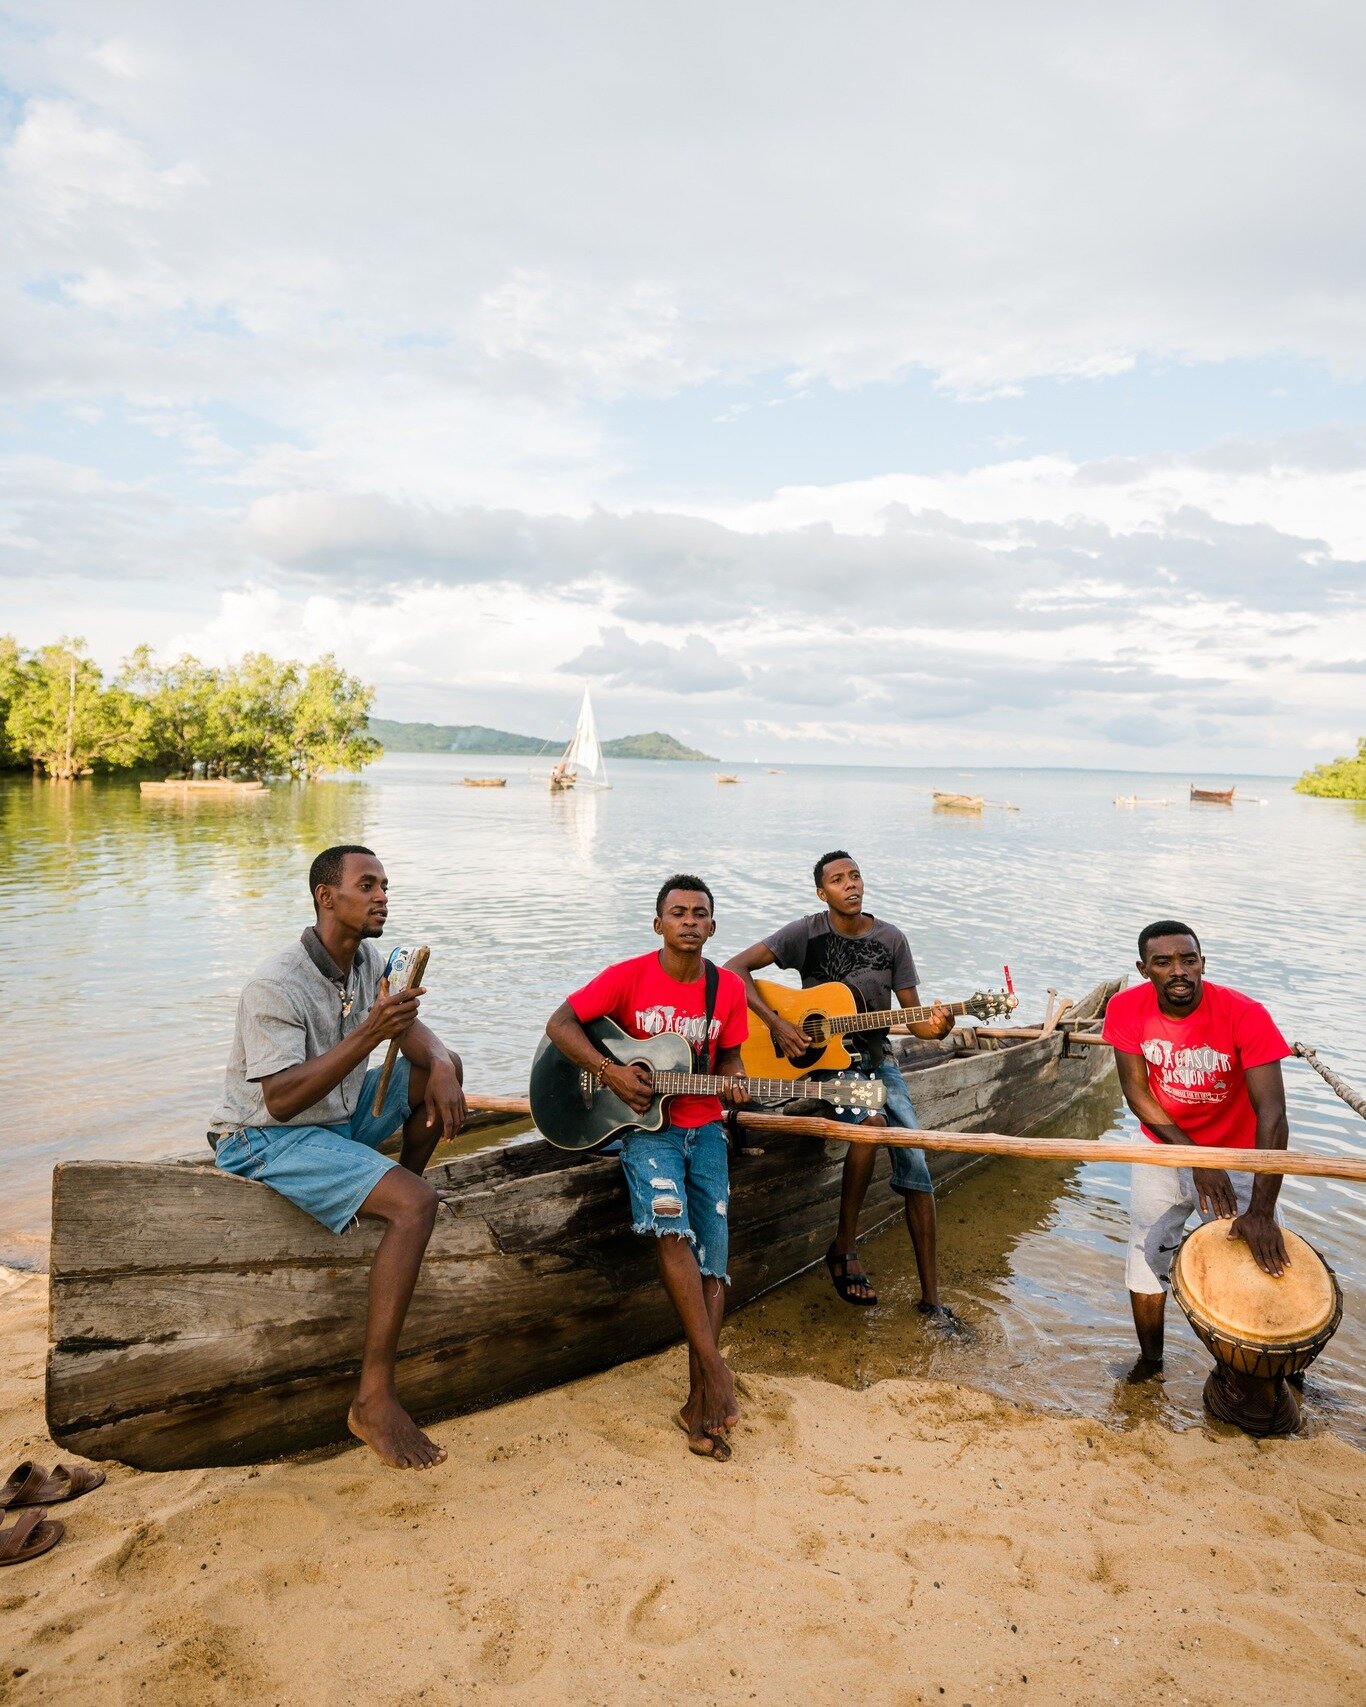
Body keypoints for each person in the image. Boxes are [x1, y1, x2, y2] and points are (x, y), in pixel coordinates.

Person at [209, 844, 466, 1470]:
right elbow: (281, 1099)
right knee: (417, 1205)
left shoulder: (368, 960)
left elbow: (405, 1028)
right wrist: (370, 1034)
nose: (382, 896)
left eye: (384, 884)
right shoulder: (275, 984)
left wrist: (445, 1064)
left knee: (432, 1083)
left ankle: (388, 1206)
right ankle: (372, 1400)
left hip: (337, 1118)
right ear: (327, 896)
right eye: (367, 884)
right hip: (264, 1136)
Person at [545, 875, 750, 1460]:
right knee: (671, 1229)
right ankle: (716, 1369)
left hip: (705, 1129)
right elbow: (559, 1026)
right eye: (678, 912)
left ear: (712, 926)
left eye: (700, 913)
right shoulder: (626, 977)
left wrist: (736, 1081)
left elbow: (730, 1056)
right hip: (646, 1130)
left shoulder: (727, 989)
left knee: (715, 1256)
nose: (689, 921)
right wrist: (610, 1073)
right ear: (657, 923)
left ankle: (699, 1400)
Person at [725, 851, 957, 1322]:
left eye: (855, 876)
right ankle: (844, 1246)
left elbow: (917, 1024)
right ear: (821, 892)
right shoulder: (805, 932)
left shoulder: (892, 939)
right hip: (823, 1061)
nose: (850, 885)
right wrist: (776, 1024)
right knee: (870, 1118)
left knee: (915, 1159)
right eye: (837, 879)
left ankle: (932, 1299)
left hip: (876, 1058)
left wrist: (942, 1026)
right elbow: (733, 970)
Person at [1102, 919, 1292, 1380]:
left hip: (1240, 1154)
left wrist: (1262, 1210)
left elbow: (1273, 1114)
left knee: (1264, 1258)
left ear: (1203, 963)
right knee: (1148, 1254)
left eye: (1188, 960)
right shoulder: (1126, 1008)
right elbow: (1137, 1095)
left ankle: (1280, 1368)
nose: (1178, 970)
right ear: (1144, 969)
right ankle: (1151, 1362)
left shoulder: (1246, 1013)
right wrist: (1196, 1158)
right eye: (1163, 962)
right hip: (1163, 1147)